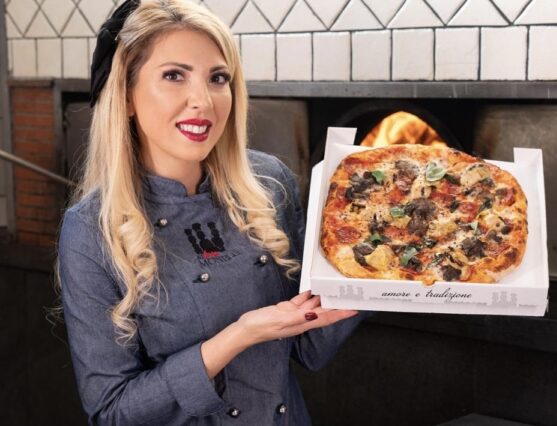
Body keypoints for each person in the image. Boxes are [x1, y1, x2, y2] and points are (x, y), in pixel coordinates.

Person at [57, 0, 368, 424]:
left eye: (218, 78)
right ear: (126, 95)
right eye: (174, 75)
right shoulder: (91, 230)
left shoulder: (267, 183)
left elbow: (309, 348)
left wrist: (378, 268)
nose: (203, 101)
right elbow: (112, 412)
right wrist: (239, 335)